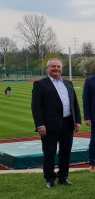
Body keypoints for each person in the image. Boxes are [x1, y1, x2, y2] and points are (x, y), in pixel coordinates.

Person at [31, 58, 81, 188]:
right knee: (49, 153)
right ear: (47, 68)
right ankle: (50, 179)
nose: (56, 69)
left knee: (66, 152)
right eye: (53, 67)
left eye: (58, 67)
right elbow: (36, 107)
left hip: (68, 123)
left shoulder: (68, 84)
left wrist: (78, 121)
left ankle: (63, 177)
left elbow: (74, 104)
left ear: (61, 69)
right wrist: (40, 125)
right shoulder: (40, 84)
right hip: (49, 125)